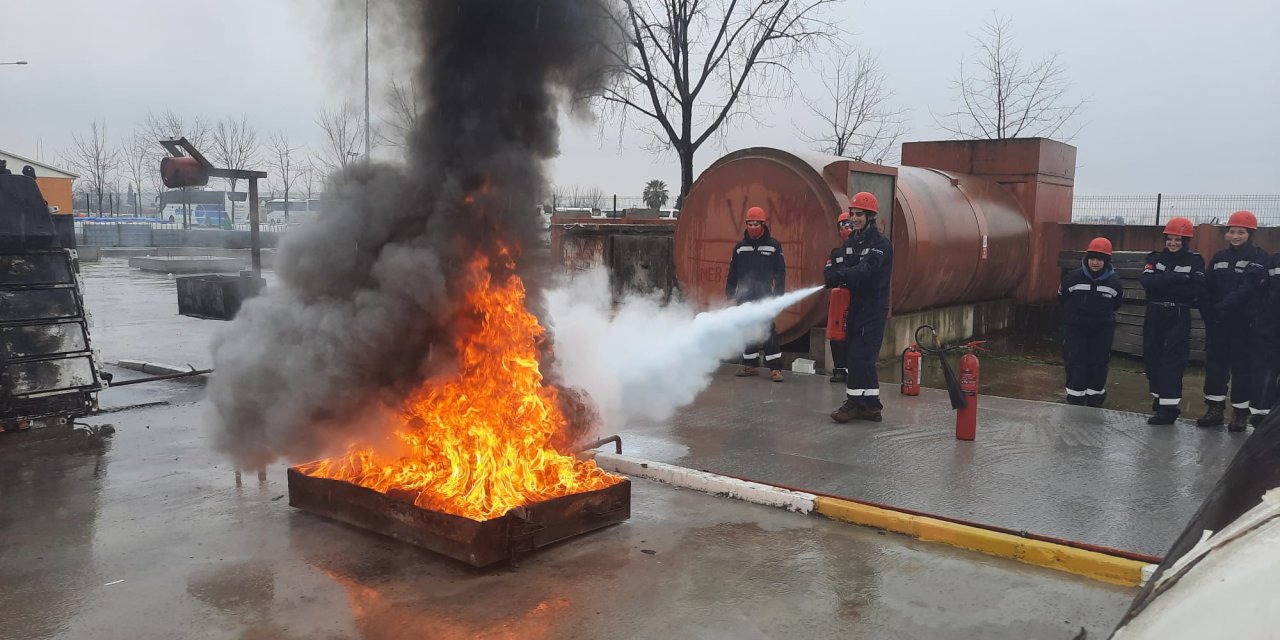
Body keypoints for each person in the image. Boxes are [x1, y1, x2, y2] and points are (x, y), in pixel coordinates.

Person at [1197, 210, 1269, 432]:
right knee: (1216, 368)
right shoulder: (1219, 258)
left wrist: (1222, 308)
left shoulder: (1259, 257)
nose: (1236, 236)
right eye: (1232, 232)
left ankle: (1240, 413)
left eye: (1241, 232)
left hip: (1243, 324)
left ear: (1251, 234)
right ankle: (1215, 409)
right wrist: (1209, 314)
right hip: (1219, 324)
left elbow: (1247, 288)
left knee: (1241, 369)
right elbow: (1207, 287)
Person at [826, 191, 892, 423]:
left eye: (859, 214)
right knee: (864, 359)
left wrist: (842, 274)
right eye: (852, 214)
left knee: (858, 357)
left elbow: (866, 272)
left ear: (870, 217)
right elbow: (838, 264)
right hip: (854, 307)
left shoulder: (881, 245)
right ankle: (871, 405)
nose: (854, 219)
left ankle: (854, 404)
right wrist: (832, 274)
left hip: (872, 309)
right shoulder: (852, 242)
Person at [1139, 217, 1205, 425]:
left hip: (1178, 315)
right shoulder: (1155, 257)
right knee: (1152, 356)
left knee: (1172, 360)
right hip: (1155, 313)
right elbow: (1147, 281)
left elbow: (1195, 289)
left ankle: (1168, 409)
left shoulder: (1195, 261)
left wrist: (1164, 280)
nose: (1173, 243)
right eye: (1170, 239)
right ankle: (1160, 398)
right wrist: (1176, 278)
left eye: (1178, 239)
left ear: (1186, 241)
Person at [1058, 237, 1125, 407]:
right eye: (1092, 258)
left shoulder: (1114, 283)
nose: (1095, 262)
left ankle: (1095, 397)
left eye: (1100, 259)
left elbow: (1116, 303)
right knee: (1076, 363)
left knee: (1098, 364)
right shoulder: (1072, 278)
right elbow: (1062, 298)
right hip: (1075, 329)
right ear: (1087, 258)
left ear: (1106, 261)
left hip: (1101, 331)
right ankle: (1075, 397)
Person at [726, 205, 786, 382]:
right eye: (750, 224)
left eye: (756, 224)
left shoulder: (774, 246)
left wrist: (779, 294)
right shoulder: (740, 247)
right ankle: (750, 365)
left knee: (767, 330)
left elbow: (781, 272)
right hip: (744, 296)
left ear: (763, 224)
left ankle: (775, 368)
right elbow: (733, 271)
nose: (752, 228)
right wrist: (730, 292)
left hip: (764, 296)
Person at [1250, 249, 1280, 426]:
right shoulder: (1274, 260)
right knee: (1267, 370)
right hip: (1271, 326)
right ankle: (1261, 415)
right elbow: (1262, 292)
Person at [827, 211, 854, 383]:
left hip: (857, 296)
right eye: (842, 226)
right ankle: (839, 369)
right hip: (839, 297)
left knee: (853, 332)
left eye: (849, 225)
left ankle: (853, 368)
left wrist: (842, 274)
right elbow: (828, 276)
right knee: (836, 333)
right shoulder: (836, 253)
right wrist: (840, 276)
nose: (846, 229)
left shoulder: (861, 250)